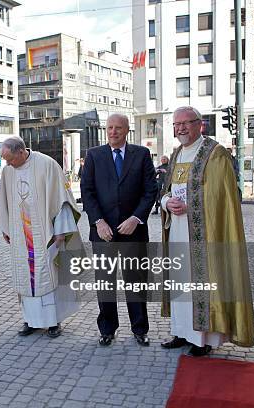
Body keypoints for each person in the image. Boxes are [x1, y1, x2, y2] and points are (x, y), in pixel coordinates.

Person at [160, 106, 254, 356]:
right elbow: (166, 190)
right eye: (176, 124)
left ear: (199, 124)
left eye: (186, 123)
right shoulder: (177, 153)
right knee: (181, 284)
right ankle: (181, 332)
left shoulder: (215, 154)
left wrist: (190, 205)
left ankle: (203, 339)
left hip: (206, 233)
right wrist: (165, 203)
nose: (180, 128)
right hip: (178, 232)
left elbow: (222, 197)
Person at [80, 113, 158, 347]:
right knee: (105, 282)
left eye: (118, 128)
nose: (113, 132)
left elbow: (150, 190)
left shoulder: (141, 154)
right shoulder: (94, 155)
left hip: (133, 231)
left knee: (135, 282)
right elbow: (87, 192)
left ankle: (140, 329)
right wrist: (98, 221)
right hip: (103, 233)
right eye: (110, 128)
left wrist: (136, 218)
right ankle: (107, 328)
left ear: (127, 130)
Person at [0, 137, 83, 338]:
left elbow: (61, 200)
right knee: (25, 277)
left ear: (21, 152)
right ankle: (31, 321)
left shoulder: (47, 165)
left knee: (47, 274)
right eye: (5, 160)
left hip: (45, 233)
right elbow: (4, 201)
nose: (8, 164)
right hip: (21, 234)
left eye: (10, 159)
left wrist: (61, 230)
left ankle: (53, 321)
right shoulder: (8, 170)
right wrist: (6, 228)